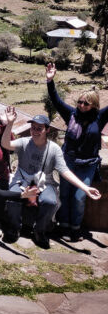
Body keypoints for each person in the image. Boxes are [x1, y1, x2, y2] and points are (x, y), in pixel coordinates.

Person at [1, 107, 102, 249]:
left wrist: (85, 188)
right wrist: (9, 124)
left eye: (39, 128)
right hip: (22, 179)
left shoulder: (54, 149)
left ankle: (40, 230)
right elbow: (5, 144)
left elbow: (64, 171)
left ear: (47, 130)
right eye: (33, 128)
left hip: (46, 181)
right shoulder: (24, 142)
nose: (35, 131)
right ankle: (14, 227)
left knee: (49, 201)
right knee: (13, 196)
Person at [46, 62, 108, 241]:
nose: (81, 105)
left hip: (88, 164)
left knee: (80, 195)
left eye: (86, 103)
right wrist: (50, 81)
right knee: (65, 194)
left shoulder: (100, 117)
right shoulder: (71, 114)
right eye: (80, 102)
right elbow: (56, 101)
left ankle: (75, 227)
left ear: (94, 105)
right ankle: (63, 226)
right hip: (68, 161)